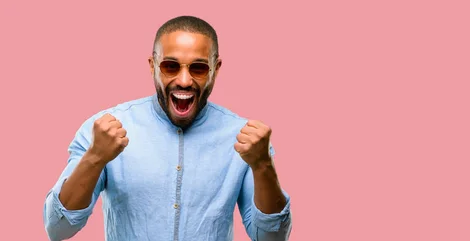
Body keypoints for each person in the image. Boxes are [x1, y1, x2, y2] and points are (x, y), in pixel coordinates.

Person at [43, 15, 292, 241]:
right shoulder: (103, 130)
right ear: (153, 65)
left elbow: (272, 239)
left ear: (215, 69)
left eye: (198, 68)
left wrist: (262, 166)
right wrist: (95, 157)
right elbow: (58, 228)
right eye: (170, 66)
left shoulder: (246, 140)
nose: (184, 80)